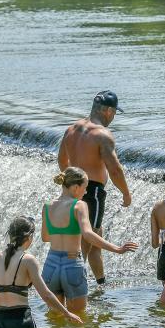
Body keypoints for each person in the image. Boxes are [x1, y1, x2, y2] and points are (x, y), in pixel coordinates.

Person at [57, 91, 132, 286]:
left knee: (95, 238)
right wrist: (126, 193)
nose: (113, 117)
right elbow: (114, 169)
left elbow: (62, 160)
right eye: (114, 112)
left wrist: (71, 184)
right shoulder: (102, 135)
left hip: (72, 189)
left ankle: (101, 283)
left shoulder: (71, 129)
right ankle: (72, 280)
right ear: (107, 110)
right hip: (93, 193)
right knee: (86, 240)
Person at [42, 167, 138, 312]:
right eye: (85, 188)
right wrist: (117, 249)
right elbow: (87, 234)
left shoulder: (48, 206)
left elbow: (45, 237)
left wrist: (62, 232)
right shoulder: (79, 205)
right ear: (75, 187)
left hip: (51, 265)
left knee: (55, 316)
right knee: (79, 317)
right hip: (72, 264)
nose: (86, 192)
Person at [0, 216, 82, 328]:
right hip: (20, 322)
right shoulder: (28, 260)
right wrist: (66, 312)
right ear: (29, 236)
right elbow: (46, 295)